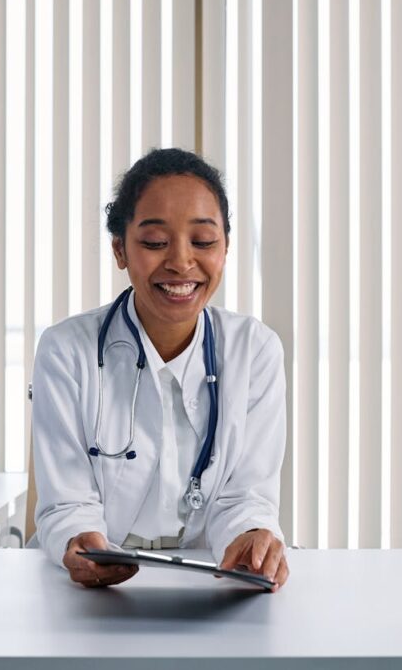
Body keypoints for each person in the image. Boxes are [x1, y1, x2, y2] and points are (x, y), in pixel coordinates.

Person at [31, 148, 289, 590]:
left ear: (225, 248)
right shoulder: (65, 350)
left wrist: (251, 537)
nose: (181, 262)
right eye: (154, 242)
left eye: (204, 242)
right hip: (92, 592)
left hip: (211, 583)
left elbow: (246, 495)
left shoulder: (255, 349)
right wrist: (81, 541)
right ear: (120, 249)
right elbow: (66, 502)